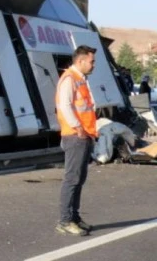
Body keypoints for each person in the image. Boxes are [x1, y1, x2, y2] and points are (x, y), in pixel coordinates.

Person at [55, 45, 98, 237]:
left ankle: (74, 217)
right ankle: (65, 221)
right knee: (72, 178)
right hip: (75, 135)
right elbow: (64, 105)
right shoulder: (70, 79)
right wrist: (78, 127)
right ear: (80, 61)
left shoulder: (80, 79)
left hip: (84, 134)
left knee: (79, 179)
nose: (93, 64)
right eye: (91, 61)